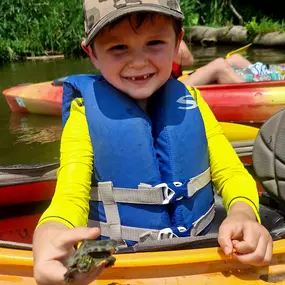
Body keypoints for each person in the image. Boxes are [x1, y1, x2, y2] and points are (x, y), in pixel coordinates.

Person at [33, 0, 273, 284]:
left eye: (154, 43)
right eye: (118, 48)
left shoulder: (192, 103)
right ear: (92, 53)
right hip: (121, 261)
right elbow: (68, 197)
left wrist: (244, 213)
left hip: (202, 253)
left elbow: (232, 173)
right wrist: (49, 233)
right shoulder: (83, 117)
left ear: (177, 42)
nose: (138, 61)